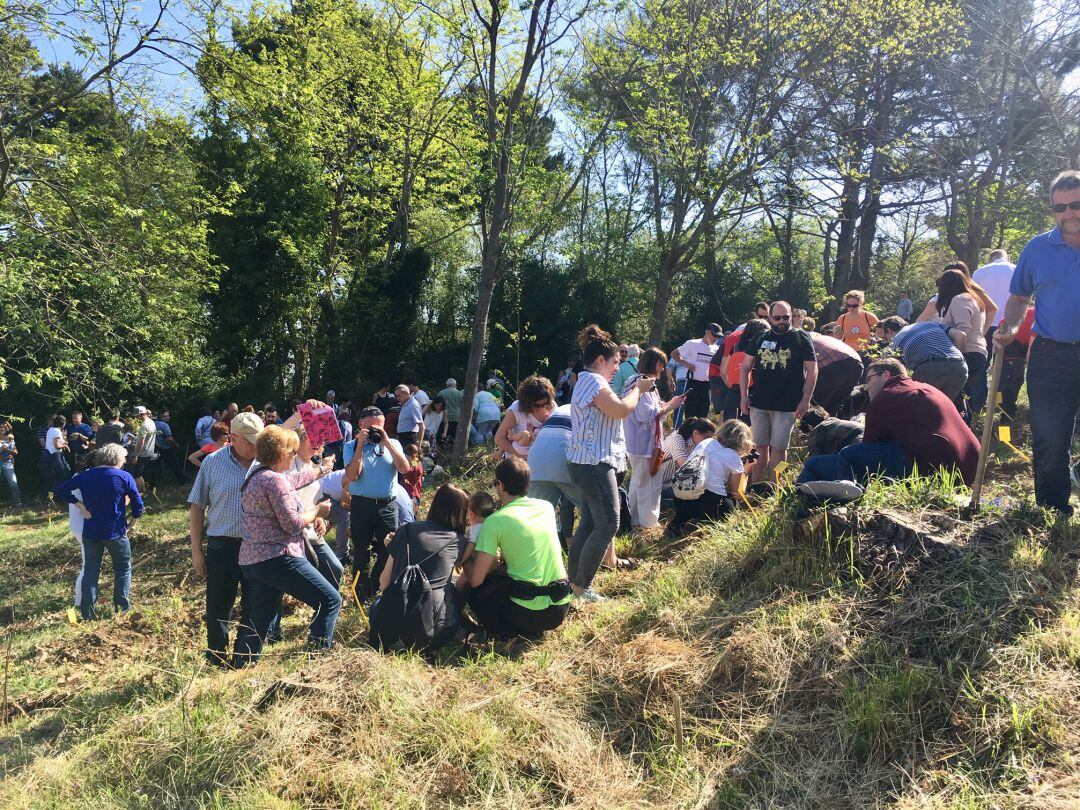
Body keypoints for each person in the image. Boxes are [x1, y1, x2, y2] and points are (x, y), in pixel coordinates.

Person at [994, 170, 1080, 515]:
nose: (1068, 214)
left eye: (1076, 205)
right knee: (1049, 435)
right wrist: (1012, 326)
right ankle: (1052, 510)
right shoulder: (1037, 247)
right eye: (1060, 208)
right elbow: (1019, 296)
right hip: (1050, 353)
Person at [234, 425, 337, 666]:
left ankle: (243, 667)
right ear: (281, 454)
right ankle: (317, 661)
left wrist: (322, 469)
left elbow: (295, 479)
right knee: (329, 600)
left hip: (254, 560)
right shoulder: (274, 481)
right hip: (278, 557)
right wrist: (316, 512)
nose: (294, 457)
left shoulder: (258, 474)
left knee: (259, 619)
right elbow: (292, 524)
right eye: (292, 453)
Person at [566, 325, 654, 602]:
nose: (618, 367)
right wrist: (638, 390)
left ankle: (573, 584)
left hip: (588, 462)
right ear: (601, 360)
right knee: (608, 525)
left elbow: (612, 412)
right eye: (616, 362)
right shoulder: (594, 381)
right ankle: (582, 587)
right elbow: (620, 410)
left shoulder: (588, 381)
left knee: (591, 523)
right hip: (594, 463)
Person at [797, 359, 980, 486]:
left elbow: (867, 447)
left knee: (849, 453)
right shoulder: (927, 388)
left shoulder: (887, 396)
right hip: (969, 469)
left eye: (869, 379)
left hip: (931, 465)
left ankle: (844, 498)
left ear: (885, 375)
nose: (866, 387)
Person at [464, 458, 571, 641]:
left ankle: (505, 632)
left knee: (475, 592)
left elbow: (475, 580)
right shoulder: (546, 508)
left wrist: (464, 558)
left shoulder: (495, 521)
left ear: (500, 485)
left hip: (526, 614)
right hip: (560, 608)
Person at [187, 411, 264, 667]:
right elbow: (197, 506)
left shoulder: (267, 462)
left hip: (257, 546)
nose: (255, 446)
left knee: (254, 604)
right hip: (223, 544)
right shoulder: (213, 462)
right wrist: (197, 551)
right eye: (249, 440)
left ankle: (245, 658)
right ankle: (217, 658)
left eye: (258, 440)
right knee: (219, 605)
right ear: (233, 437)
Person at [371, 484, 471, 653]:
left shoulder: (406, 530)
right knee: (450, 591)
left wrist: (393, 546)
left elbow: (383, 583)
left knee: (377, 605)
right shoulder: (459, 541)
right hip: (432, 633)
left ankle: (396, 642)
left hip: (391, 625)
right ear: (461, 513)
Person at [54, 444, 144, 619]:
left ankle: (88, 613)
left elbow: (59, 490)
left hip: (91, 532)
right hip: (115, 532)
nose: (124, 461)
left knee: (90, 571)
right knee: (123, 568)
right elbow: (138, 504)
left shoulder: (85, 476)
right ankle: (122, 609)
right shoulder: (124, 476)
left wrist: (79, 504)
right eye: (123, 458)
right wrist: (132, 524)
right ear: (116, 459)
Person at [739, 301, 818, 484]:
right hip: (759, 402)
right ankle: (756, 485)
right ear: (770, 318)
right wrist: (743, 396)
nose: (782, 321)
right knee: (758, 448)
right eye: (777, 318)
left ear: (791, 316)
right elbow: (745, 367)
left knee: (780, 449)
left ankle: (775, 486)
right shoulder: (760, 337)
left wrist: (805, 400)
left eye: (786, 317)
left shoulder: (801, 338)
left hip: (788, 404)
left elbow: (813, 370)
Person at [342, 406, 411, 598]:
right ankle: (359, 596)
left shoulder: (393, 444)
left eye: (379, 428)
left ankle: (372, 590)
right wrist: (360, 447)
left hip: (387, 506)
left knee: (388, 551)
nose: (375, 432)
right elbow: (353, 475)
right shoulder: (350, 446)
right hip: (361, 506)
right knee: (362, 554)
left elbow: (405, 469)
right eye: (371, 428)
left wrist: (387, 442)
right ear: (361, 425)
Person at [623, 347, 685, 529]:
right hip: (642, 443)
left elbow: (655, 411)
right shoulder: (641, 384)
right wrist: (670, 406)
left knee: (639, 482)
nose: (662, 369)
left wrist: (668, 405)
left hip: (641, 443)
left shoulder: (645, 384)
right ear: (651, 362)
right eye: (660, 364)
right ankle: (647, 524)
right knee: (648, 485)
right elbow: (645, 415)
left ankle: (632, 520)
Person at [934, 268, 993, 420]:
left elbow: (963, 330)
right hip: (978, 351)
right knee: (964, 395)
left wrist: (955, 358)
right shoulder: (973, 299)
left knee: (954, 395)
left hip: (967, 353)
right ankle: (966, 425)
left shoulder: (959, 300)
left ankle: (958, 425)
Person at [671, 419, 751, 531]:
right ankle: (703, 522)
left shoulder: (705, 442)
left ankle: (679, 521)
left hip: (681, 496)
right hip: (708, 503)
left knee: (692, 504)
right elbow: (737, 494)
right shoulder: (734, 457)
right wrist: (746, 470)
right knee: (731, 505)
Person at [879, 316, 968, 401]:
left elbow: (882, 363)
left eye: (886, 337)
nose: (888, 340)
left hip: (930, 369)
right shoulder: (930, 324)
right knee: (942, 408)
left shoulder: (897, 338)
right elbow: (961, 335)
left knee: (917, 406)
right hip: (960, 366)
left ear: (889, 331)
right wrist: (952, 361)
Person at [717, 319, 770, 421]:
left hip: (734, 391)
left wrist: (733, 386)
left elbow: (723, 371)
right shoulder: (765, 349)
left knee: (730, 428)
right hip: (755, 394)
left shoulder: (735, 347)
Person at [494, 376, 557, 460]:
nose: (541, 408)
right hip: (517, 463)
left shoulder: (552, 406)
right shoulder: (516, 410)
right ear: (527, 402)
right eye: (537, 405)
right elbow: (499, 438)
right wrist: (520, 458)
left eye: (545, 404)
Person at [671, 323, 722, 419]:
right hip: (693, 382)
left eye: (718, 337)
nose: (716, 339)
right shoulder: (692, 344)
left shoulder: (716, 349)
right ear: (707, 332)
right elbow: (674, 354)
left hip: (707, 385)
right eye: (714, 335)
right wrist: (686, 364)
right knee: (690, 415)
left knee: (703, 415)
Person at [807, 330, 864, 416]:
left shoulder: (803, 343)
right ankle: (830, 425)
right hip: (857, 364)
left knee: (815, 405)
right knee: (835, 405)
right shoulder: (823, 339)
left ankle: (812, 426)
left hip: (835, 364)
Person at [999, 306, 1035, 422]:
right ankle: (1003, 422)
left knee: (1002, 387)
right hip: (1012, 349)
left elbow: (1002, 322)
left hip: (1008, 346)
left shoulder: (1030, 310)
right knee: (1009, 388)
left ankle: (1001, 414)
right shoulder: (1044, 315)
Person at [972, 249, 1015, 343]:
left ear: (990, 259)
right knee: (1004, 355)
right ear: (1008, 258)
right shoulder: (1016, 270)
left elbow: (973, 298)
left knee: (984, 352)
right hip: (1009, 321)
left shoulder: (979, 272)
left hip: (985, 321)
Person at [798, 405, 864, 457]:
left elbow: (816, 460)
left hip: (856, 449)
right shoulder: (835, 421)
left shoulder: (817, 431)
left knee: (811, 465)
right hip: (868, 442)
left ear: (810, 427)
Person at [129, 406, 157, 494]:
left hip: (142, 453)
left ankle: (136, 495)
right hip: (149, 452)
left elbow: (142, 441)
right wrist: (135, 437)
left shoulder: (144, 425)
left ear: (141, 414)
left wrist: (135, 455)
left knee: (137, 475)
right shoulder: (151, 422)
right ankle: (143, 493)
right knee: (140, 474)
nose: (136, 418)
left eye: (137, 416)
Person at [154, 410, 186, 485]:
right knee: (175, 465)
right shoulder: (164, 425)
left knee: (156, 467)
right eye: (167, 415)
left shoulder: (153, 424)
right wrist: (175, 445)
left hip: (156, 449)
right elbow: (169, 438)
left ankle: (155, 483)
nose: (169, 417)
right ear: (162, 416)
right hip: (165, 448)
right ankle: (182, 480)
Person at [43, 414, 72, 491]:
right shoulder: (57, 431)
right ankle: (61, 494)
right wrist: (65, 446)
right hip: (55, 455)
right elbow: (56, 445)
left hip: (49, 454)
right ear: (63, 423)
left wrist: (64, 440)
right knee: (62, 475)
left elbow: (54, 442)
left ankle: (50, 494)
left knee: (53, 476)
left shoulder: (50, 429)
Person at [0, 422, 20, 505]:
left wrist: (9, 452)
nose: (2, 429)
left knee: (13, 483)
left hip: (8, 463)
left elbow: (16, 452)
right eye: (1, 427)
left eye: (4, 427)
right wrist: (3, 451)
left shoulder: (11, 439)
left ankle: (18, 503)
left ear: (8, 428)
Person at [400, 443, 424, 507]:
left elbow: (411, 471)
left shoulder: (415, 464)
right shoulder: (416, 463)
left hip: (412, 497)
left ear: (410, 456)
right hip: (410, 495)